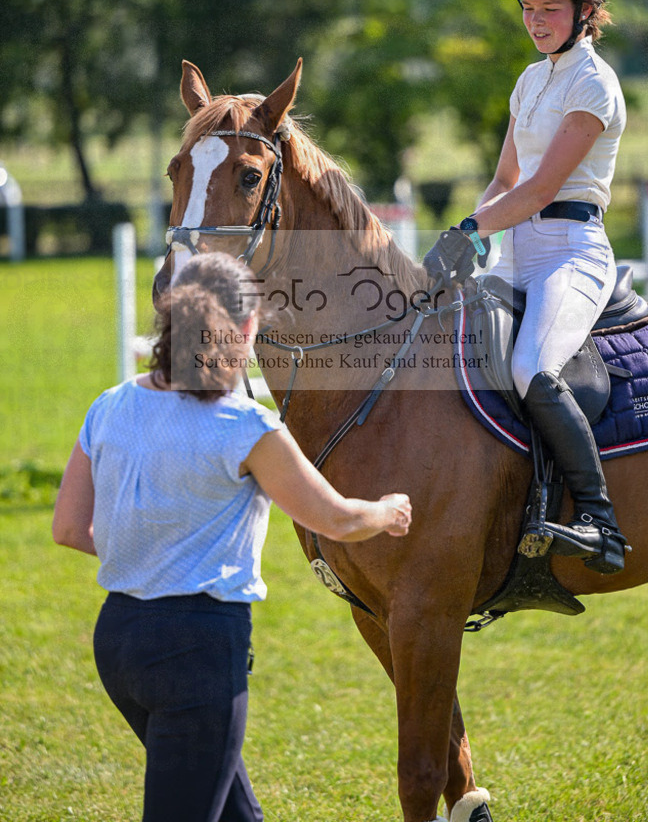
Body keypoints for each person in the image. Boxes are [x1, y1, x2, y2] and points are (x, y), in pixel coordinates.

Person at [52, 252, 412, 822]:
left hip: (118, 643)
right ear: (247, 328)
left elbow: (70, 528)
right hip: (196, 653)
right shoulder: (247, 426)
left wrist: (151, 547)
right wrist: (389, 510)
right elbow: (338, 520)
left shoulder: (109, 405)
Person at [424, 0, 628, 575]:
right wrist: (473, 241)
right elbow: (507, 179)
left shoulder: (595, 84)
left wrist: (471, 230)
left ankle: (599, 519)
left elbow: (543, 188)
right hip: (515, 250)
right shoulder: (529, 80)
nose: (536, 21)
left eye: (549, 9)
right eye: (527, 9)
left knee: (532, 370)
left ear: (585, 11)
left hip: (572, 253)